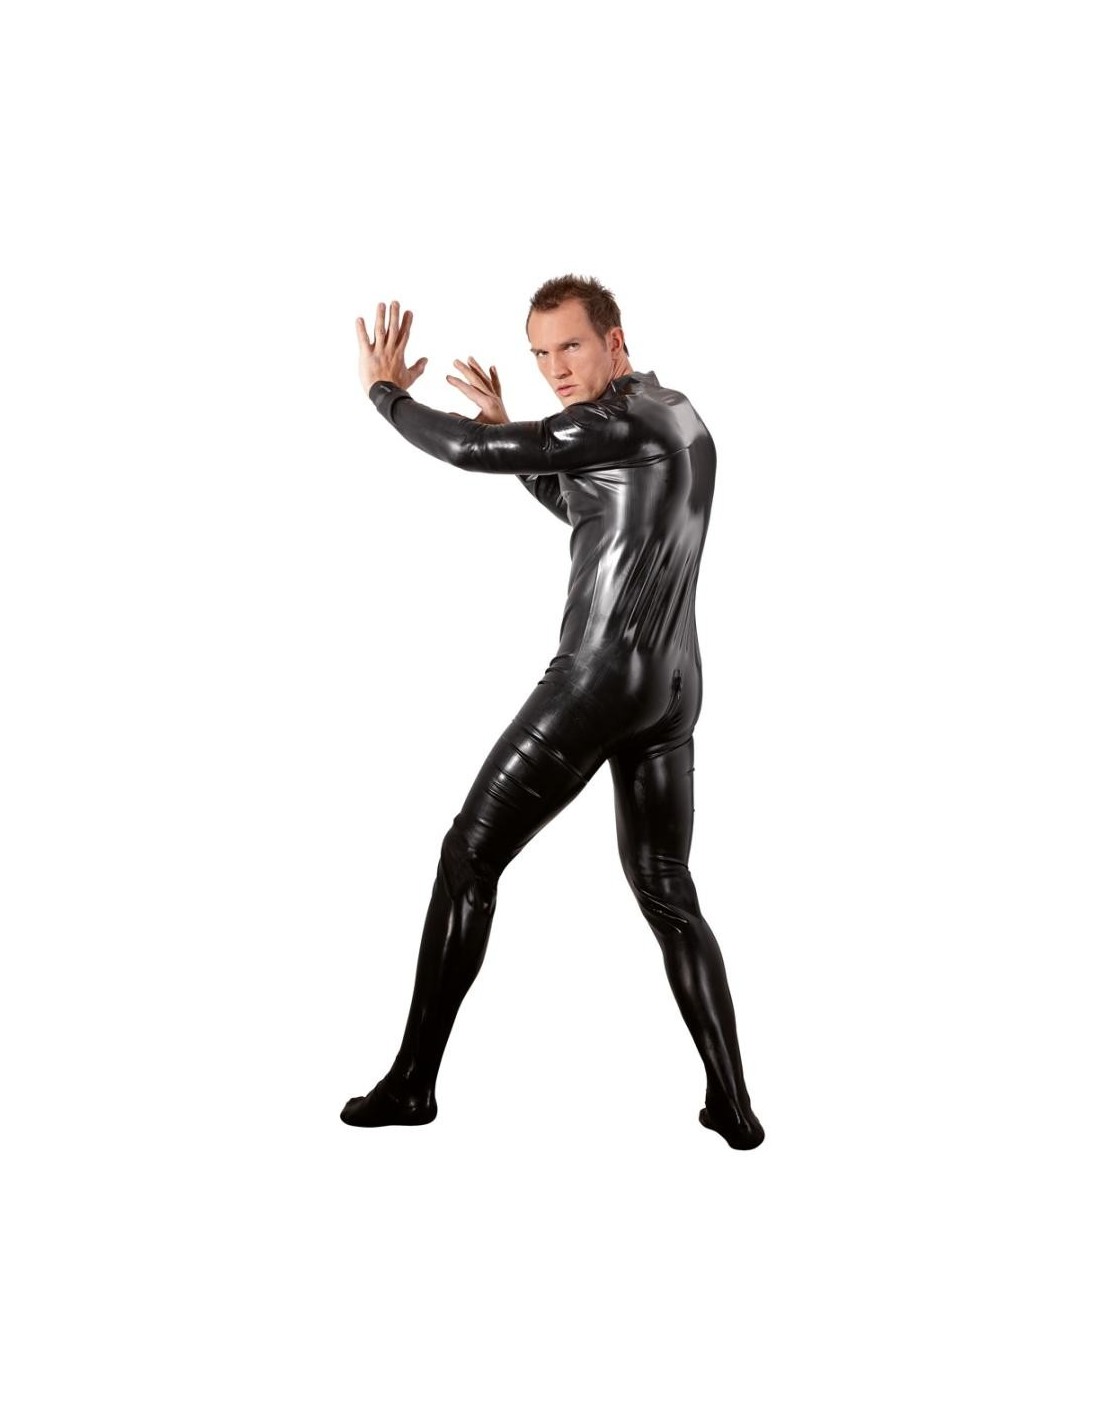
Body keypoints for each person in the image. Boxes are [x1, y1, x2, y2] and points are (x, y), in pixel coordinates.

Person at [342, 276, 764, 1150]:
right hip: (672, 686)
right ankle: (733, 1104)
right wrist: (521, 435)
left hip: (598, 682)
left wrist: (387, 396)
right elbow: (585, 504)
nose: (555, 369)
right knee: (666, 890)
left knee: (468, 856)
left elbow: (467, 450)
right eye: (539, 354)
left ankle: (413, 1085)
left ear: (615, 338)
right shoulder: (677, 414)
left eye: (570, 346)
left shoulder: (609, 420)